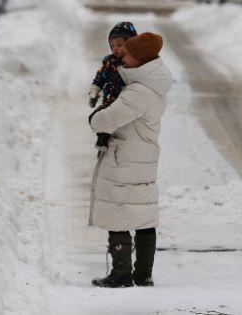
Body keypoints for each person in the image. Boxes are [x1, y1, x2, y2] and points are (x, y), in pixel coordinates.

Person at [88, 32, 172, 288]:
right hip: (143, 156)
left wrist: (94, 118)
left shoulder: (138, 93)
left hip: (125, 158)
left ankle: (121, 273)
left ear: (142, 60)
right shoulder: (154, 86)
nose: (122, 55)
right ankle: (143, 274)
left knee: (120, 211)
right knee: (144, 215)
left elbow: (106, 119)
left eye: (129, 53)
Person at [88, 21, 138, 153]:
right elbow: (100, 77)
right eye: (112, 46)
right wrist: (94, 91)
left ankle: (107, 138)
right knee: (95, 117)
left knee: (120, 126)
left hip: (126, 102)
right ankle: (103, 138)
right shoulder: (110, 62)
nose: (115, 48)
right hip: (110, 100)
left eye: (119, 45)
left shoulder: (135, 63)